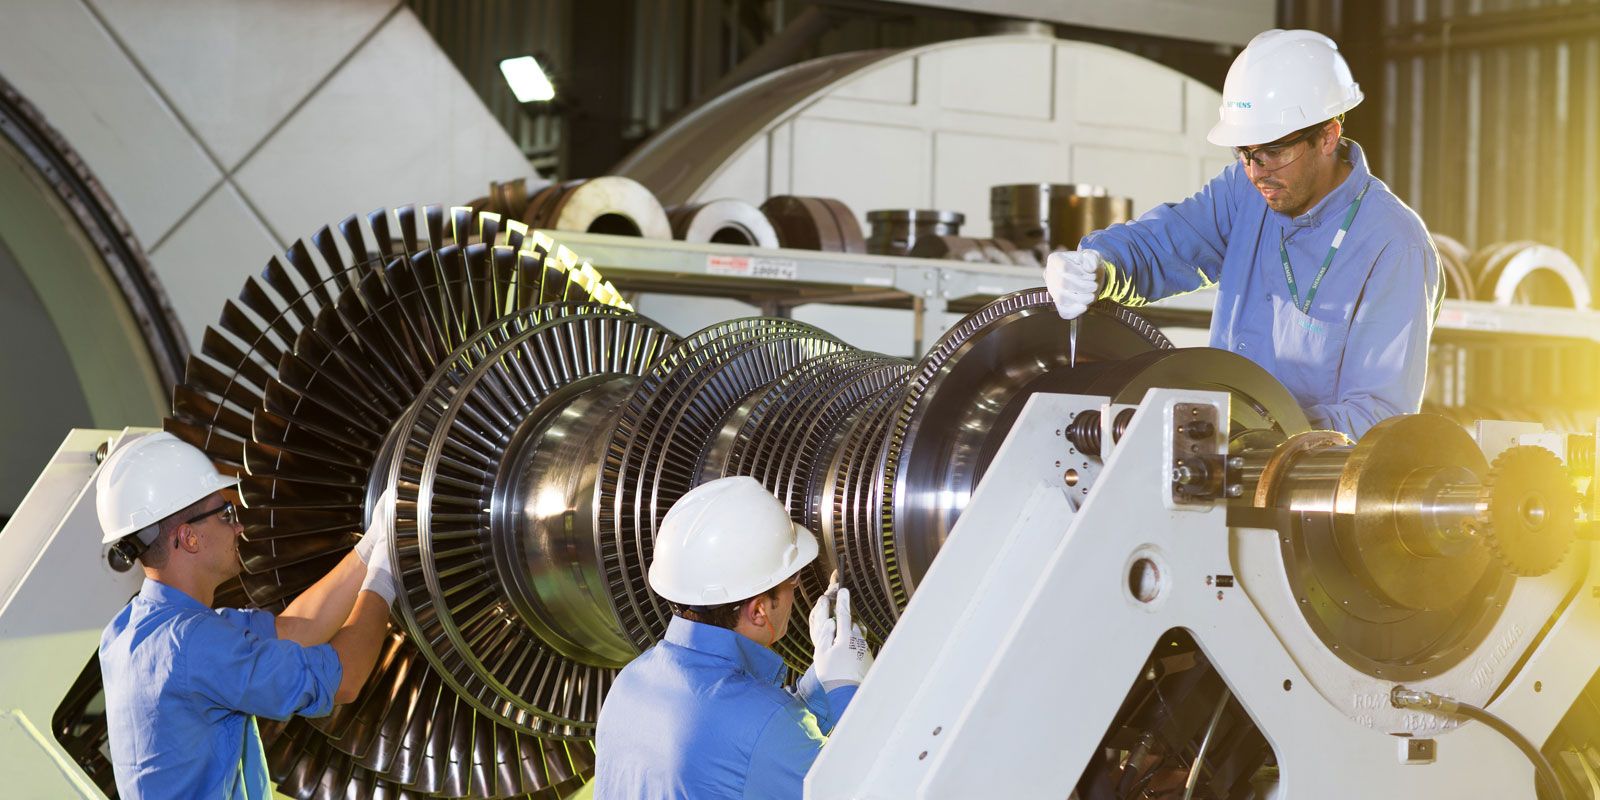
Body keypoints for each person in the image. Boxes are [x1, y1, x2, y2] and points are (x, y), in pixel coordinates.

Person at [1044, 29, 1441, 438]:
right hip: (1217, 463)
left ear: (1328, 136)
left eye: (1274, 151)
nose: (1256, 171)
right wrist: (1100, 264)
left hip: (1307, 488)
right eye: (1244, 152)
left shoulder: (1395, 246)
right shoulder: (1243, 192)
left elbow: (1378, 417)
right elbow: (1168, 243)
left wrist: (1255, 433)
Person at [94, 431, 400, 799]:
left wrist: (371, 546)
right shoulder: (193, 644)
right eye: (226, 514)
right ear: (189, 538)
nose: (239, 526)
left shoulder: (131, 630)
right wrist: (386, 575)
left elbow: (294, 628)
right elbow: (344, 679)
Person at [594, 476, 875, 799]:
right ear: (758, 611)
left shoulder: (631, 682)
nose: (796, 588)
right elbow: (871, 787)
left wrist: (823, 682)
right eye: (792, 578)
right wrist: (849, 695)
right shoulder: (763, 728)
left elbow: (749, 754)